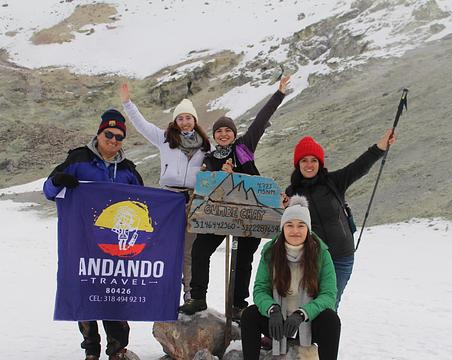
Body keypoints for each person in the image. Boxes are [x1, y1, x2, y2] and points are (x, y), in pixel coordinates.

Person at [178, 76, 290, 318]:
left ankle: (237, 305)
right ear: (215, 136)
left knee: (242, 260)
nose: (224, 134)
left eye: (228, 130)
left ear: (234, 133)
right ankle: (198, 297)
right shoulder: (210, 158)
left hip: (250, 215)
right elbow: (206, 183)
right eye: (219, 131)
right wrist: (220, 174)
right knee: (200, 250)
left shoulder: (244, 147)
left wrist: (279, 93)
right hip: (219, 215)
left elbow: (261, 120)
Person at [43, 109, 143, 360]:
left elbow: (144, 203)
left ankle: (117, 348)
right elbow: (48, 190)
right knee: (85, 292)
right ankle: (91, 348)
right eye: (109, 134)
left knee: (114, 294)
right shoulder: (78, 159)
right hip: (81, 242)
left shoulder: (128, 170)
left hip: (116, 246)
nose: (113, 140)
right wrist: (59, 180)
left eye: (119, 137)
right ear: (99, 134)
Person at [285, 129, 397, 309]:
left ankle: (322, 338)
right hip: (311, 259)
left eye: (314, 160)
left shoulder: (333, 181)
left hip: (341, 257)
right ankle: (303, 337)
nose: (309, 165)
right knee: (306, 304)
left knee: (329, 304)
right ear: (297, 164)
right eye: (304, 160)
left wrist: (382, 145)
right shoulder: (291, 193)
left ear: (320, 163)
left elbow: (360, 166)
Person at [120, 84, 212, 300]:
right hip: (169, 200)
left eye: (188, 118)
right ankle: (160, 291)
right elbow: (142, 125)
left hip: (193, 201)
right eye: (180, 119)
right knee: (164, 247)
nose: (185, 122)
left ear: (195, 120)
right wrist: (127, 103)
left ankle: (189, 293)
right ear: (175, 122)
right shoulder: (164, 139)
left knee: (189, 251)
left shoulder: (206, 147)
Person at [240, 195, 341, 360]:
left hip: (307, 322)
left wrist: (302, 314)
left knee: (331, 320)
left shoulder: (321, 253)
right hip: (278, 324)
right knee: (249, 315)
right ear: (283, 227)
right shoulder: (271, 251)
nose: (295, 231)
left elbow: (328, 295)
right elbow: (260, 289)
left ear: (308, 228)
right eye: (290, 225)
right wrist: (272, 310)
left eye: (301, 225)